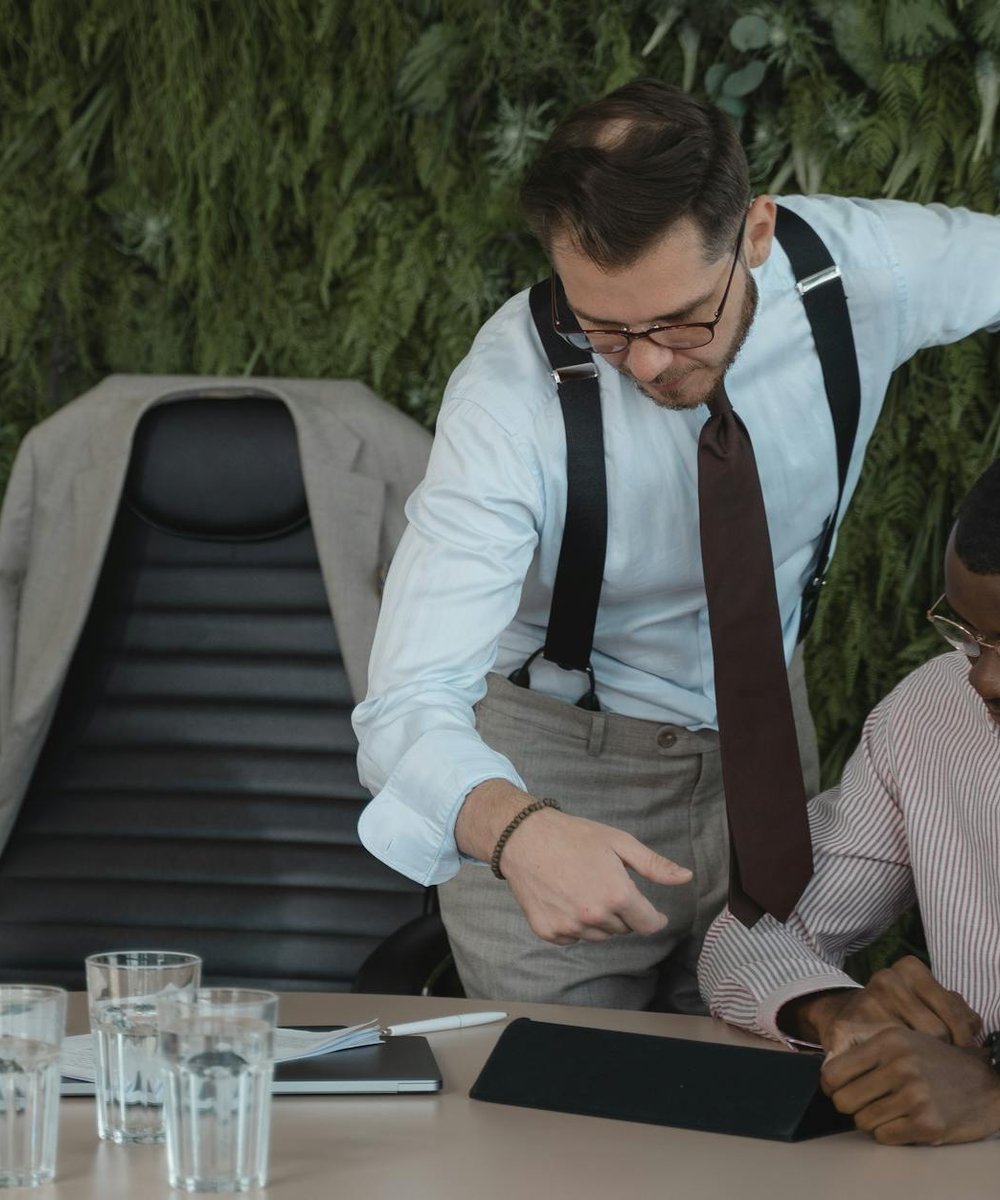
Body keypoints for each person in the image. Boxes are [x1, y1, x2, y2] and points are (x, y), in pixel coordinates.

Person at [353, 78, 1000, 1012]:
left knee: (774, 1063)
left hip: (768, 753)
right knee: (564, 1092)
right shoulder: (507, 400)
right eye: (608, 329)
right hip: (556, 771)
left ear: (756, 233)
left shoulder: (855, 271)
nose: (651, 361)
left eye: (683, 319)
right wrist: (518, 830)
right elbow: (406, 701)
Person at [698, 457, 1000, 1145]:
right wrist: (836, 1010)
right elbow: (752, 931)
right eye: (970, 633)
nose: (984, 679)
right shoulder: (931, 712)